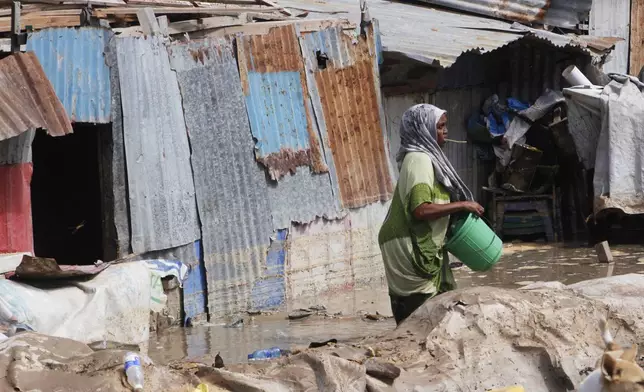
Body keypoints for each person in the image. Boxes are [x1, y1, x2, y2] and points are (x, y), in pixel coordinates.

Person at [378, 104, 485, 325]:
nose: (446, 131)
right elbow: (421, 209)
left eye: (445, 126)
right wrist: (462, 205)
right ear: (424, 129)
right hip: (408, 244)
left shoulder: (426, 158)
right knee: (422, 316)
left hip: (411, 240)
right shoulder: (419, 159)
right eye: (440, 126)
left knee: (433, 310)